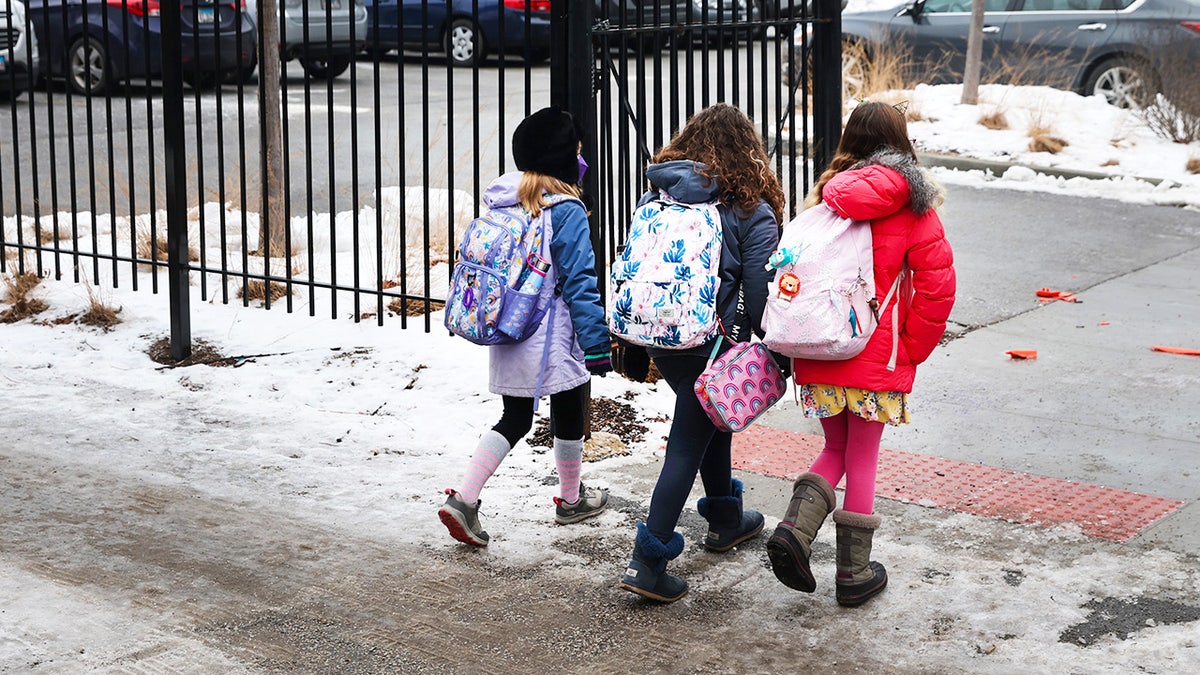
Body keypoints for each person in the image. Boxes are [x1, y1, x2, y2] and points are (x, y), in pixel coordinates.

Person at [765, 101, 956, 607]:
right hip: (876, 357)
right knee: (863, 457)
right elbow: (938, 288)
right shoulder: (916, 206)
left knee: (835, 449)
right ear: (901, 144)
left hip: (821, 350)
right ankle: (853, 571)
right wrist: (910, 349)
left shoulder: (826, 200)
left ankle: (793, 531)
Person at [617, 103, 785, 602]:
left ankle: (726, 519)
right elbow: (759, 294)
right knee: (687, 443)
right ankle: (647, 562)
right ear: (749, 153)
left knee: (709, 416)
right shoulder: (753, 211)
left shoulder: (666, 197)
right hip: (714, 342)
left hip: (664, 339)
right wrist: (775, 345)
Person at [438, 107, 613, 547]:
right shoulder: (566, 210)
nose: (580, 157)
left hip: (510, 328)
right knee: (569, 407)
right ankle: (570, 500)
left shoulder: (507, 199)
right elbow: (580, 282)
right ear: (563, 158)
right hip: (551, 335)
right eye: (576, 150)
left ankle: (467, 496)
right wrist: (596, 343)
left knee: (515, 417)